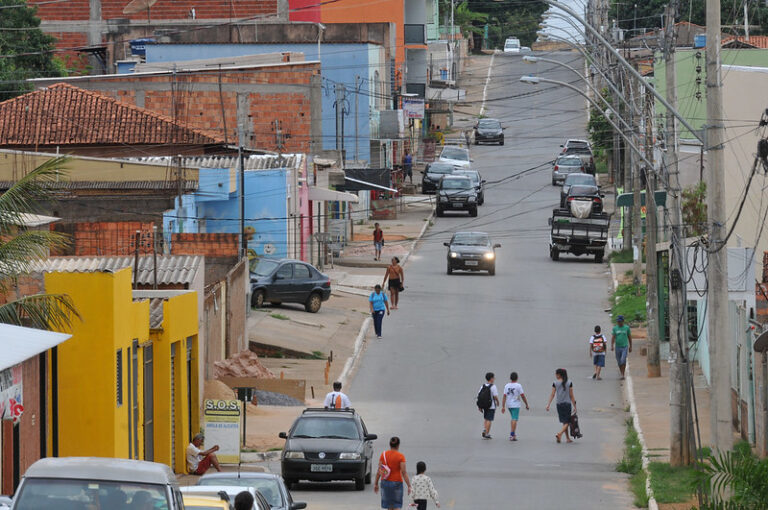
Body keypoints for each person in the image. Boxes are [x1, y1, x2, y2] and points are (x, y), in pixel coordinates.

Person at [375, 436, 412, 510]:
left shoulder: (383, 454)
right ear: (398, 445)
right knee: (396, 505)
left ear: (390, 445)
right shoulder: (400, 456)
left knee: (389, 506)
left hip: (385, 482)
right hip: (397, 483)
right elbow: (404, 472)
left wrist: (376, 484)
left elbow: (379, 471)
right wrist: (409, 485)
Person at [546, 368, 577, 444]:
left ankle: (567, 438)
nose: (556, 375)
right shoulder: (569, 382)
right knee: (568, 421)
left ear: (559, 375)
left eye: (556, 374)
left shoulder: (555, 383)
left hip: (559, 405)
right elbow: (571, 395)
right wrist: (575, 406)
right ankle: (559, 434)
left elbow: (552, 394)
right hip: (567, 404)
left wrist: (548, 404)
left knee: (564, 421)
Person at [500, 372, 529, 442]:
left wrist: (503, 406)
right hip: (515, 404)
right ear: (517, 378)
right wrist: (526, 404)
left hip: (509, 405)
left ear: (510, 378)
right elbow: (522, 395)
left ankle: (513, 433)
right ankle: (512, 434)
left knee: (513, 418)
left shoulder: (507, 385)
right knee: (514, 419)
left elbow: (504, 396)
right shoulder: (518, 386)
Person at [476, 372, 499, 440]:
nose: (494, 379)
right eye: (493, 377)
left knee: (486, 418)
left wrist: (479, 406)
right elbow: (495, 396)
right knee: (489, 419)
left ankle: (485, 429)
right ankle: (486, 433)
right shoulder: (493, 386)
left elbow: (479, 396)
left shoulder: (483, 386)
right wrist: (498, 402)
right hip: (491, 406)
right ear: (491, 379)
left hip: (484, 405)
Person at [611, 315, 633, 380]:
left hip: (624, 347)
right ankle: (621, 373)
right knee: (619, 362)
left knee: (623, 360)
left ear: (623, 321)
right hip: (617, 347)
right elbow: (613, 337)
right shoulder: (615, 328)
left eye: (620, 321)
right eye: (618, 321)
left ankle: (623, 374)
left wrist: (630, 346)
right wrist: (612, 345)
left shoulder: (626, 328)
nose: (619, 323)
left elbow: (629, 337)